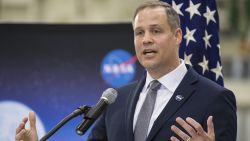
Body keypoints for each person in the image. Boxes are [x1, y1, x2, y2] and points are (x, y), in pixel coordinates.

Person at [15, 1, 237, 141]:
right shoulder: (116, 100)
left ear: (178, 36)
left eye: (156, 31)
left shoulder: (214, 98)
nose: (146, 40)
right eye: (139, 33)